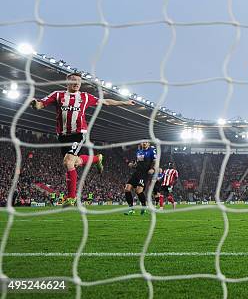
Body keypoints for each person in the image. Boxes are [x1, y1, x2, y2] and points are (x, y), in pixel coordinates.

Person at [30, 73, 134, 206]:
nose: (77, 83)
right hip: (63, 135)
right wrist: (34, 103)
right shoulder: (57, 95)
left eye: (79, 81)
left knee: (68, 162)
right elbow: (40, 105)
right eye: (74, 80)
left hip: (79, 133)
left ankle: (71, 198)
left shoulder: (85, 97)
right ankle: (97, 159)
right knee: (74, 162)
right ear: (67, 82)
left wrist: (124, 102)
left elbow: (106, 101)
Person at [124, 141, 156, 215]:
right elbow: (137, 163)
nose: (144, 143)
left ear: (148, 144)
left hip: (144, 174)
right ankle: (131, 209)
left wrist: (153, 169)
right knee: (127, 188)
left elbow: (155, 161)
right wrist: (132, 164)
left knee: (138, 191)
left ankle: (144, 208)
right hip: (137, 173)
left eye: (146, 142)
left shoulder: (151, 151)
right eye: (143, 142)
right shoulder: (139, 151)